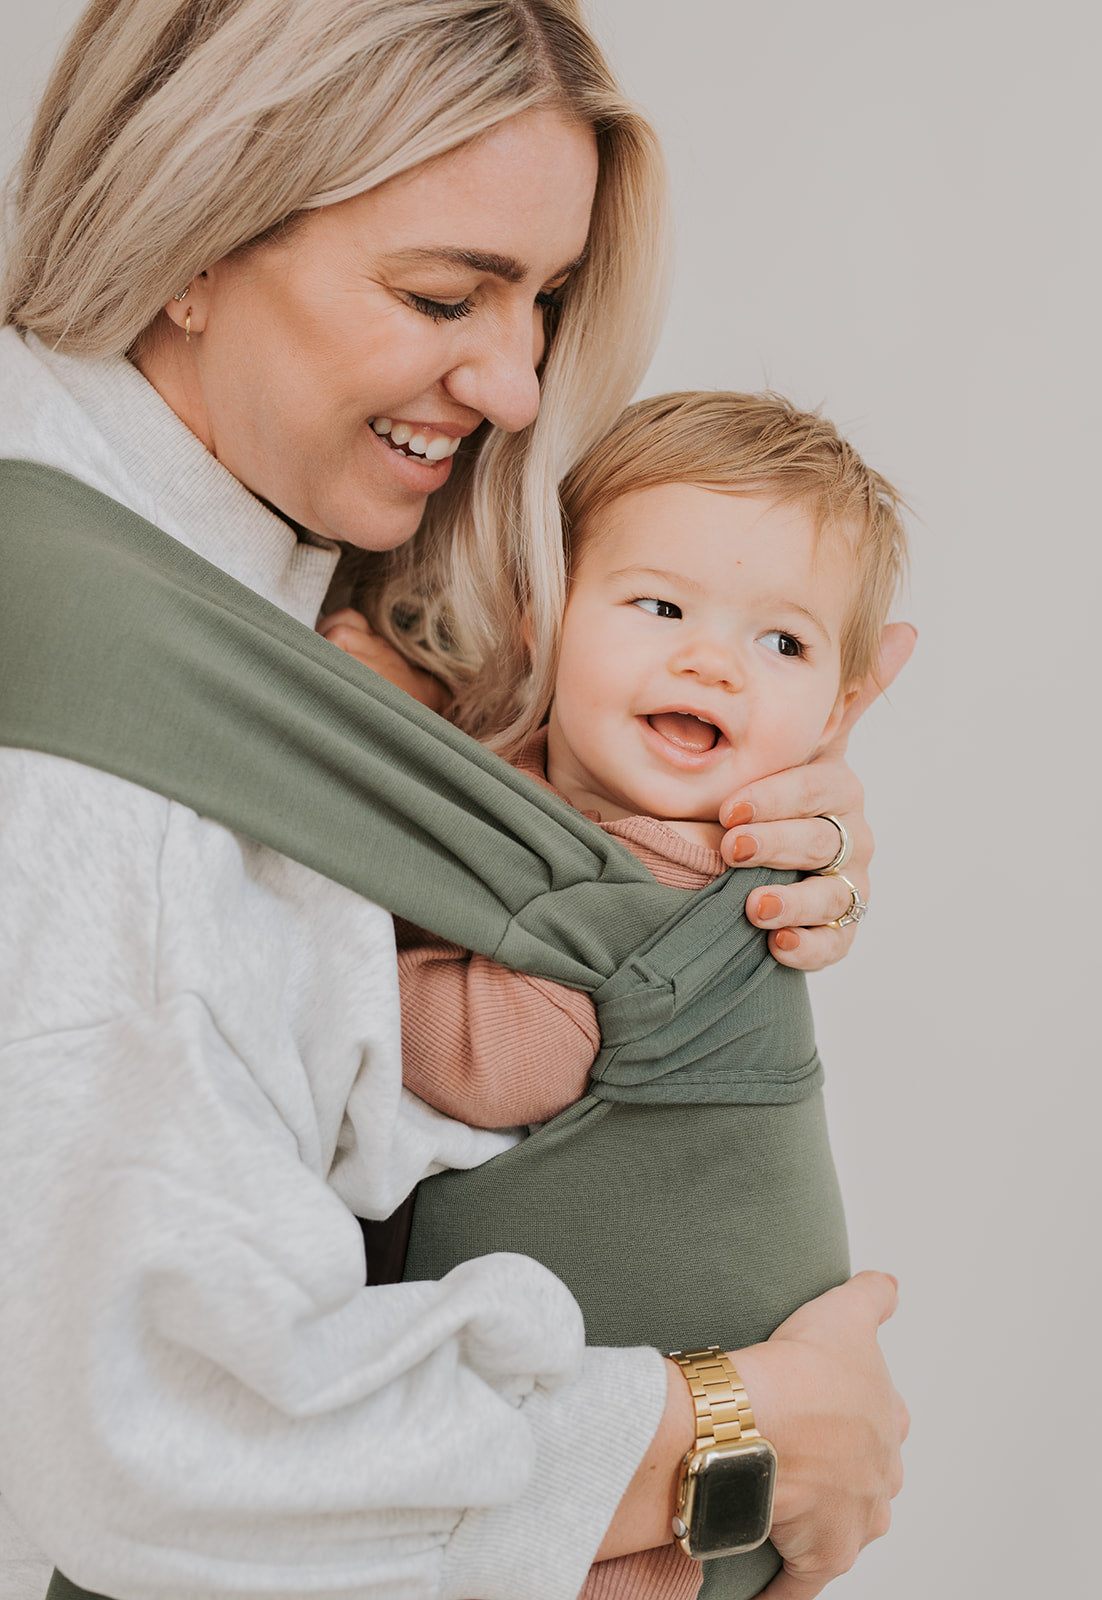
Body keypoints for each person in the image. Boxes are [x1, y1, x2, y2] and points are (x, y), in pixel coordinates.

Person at [0, 5, 909, 1600]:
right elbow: (155, 1429)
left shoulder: (257, 568)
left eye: (543, 300)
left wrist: (715, 862)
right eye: (441, 295)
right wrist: (721, 1435)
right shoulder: (96, 735)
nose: (509, 384)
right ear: (190, 244)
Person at [323, 389, 907, 1600]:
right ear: (542, 614)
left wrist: (343, 957)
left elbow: (502, 1058)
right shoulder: (573, 810)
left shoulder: (667, 881)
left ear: (841, 708)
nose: (711, 660)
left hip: (658, 1488)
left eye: (782, 643)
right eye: (658, 606)